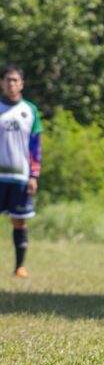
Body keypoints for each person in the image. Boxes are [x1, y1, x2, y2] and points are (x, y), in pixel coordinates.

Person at [0, 65, 42, 279]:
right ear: (1, 83)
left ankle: (19, 266)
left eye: (15, 80)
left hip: (20, 176)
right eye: (8, 80)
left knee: (19, 221)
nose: (11, 84)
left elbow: (35, 147)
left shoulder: (30, 110)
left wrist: (34, 175)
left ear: (22, 84)